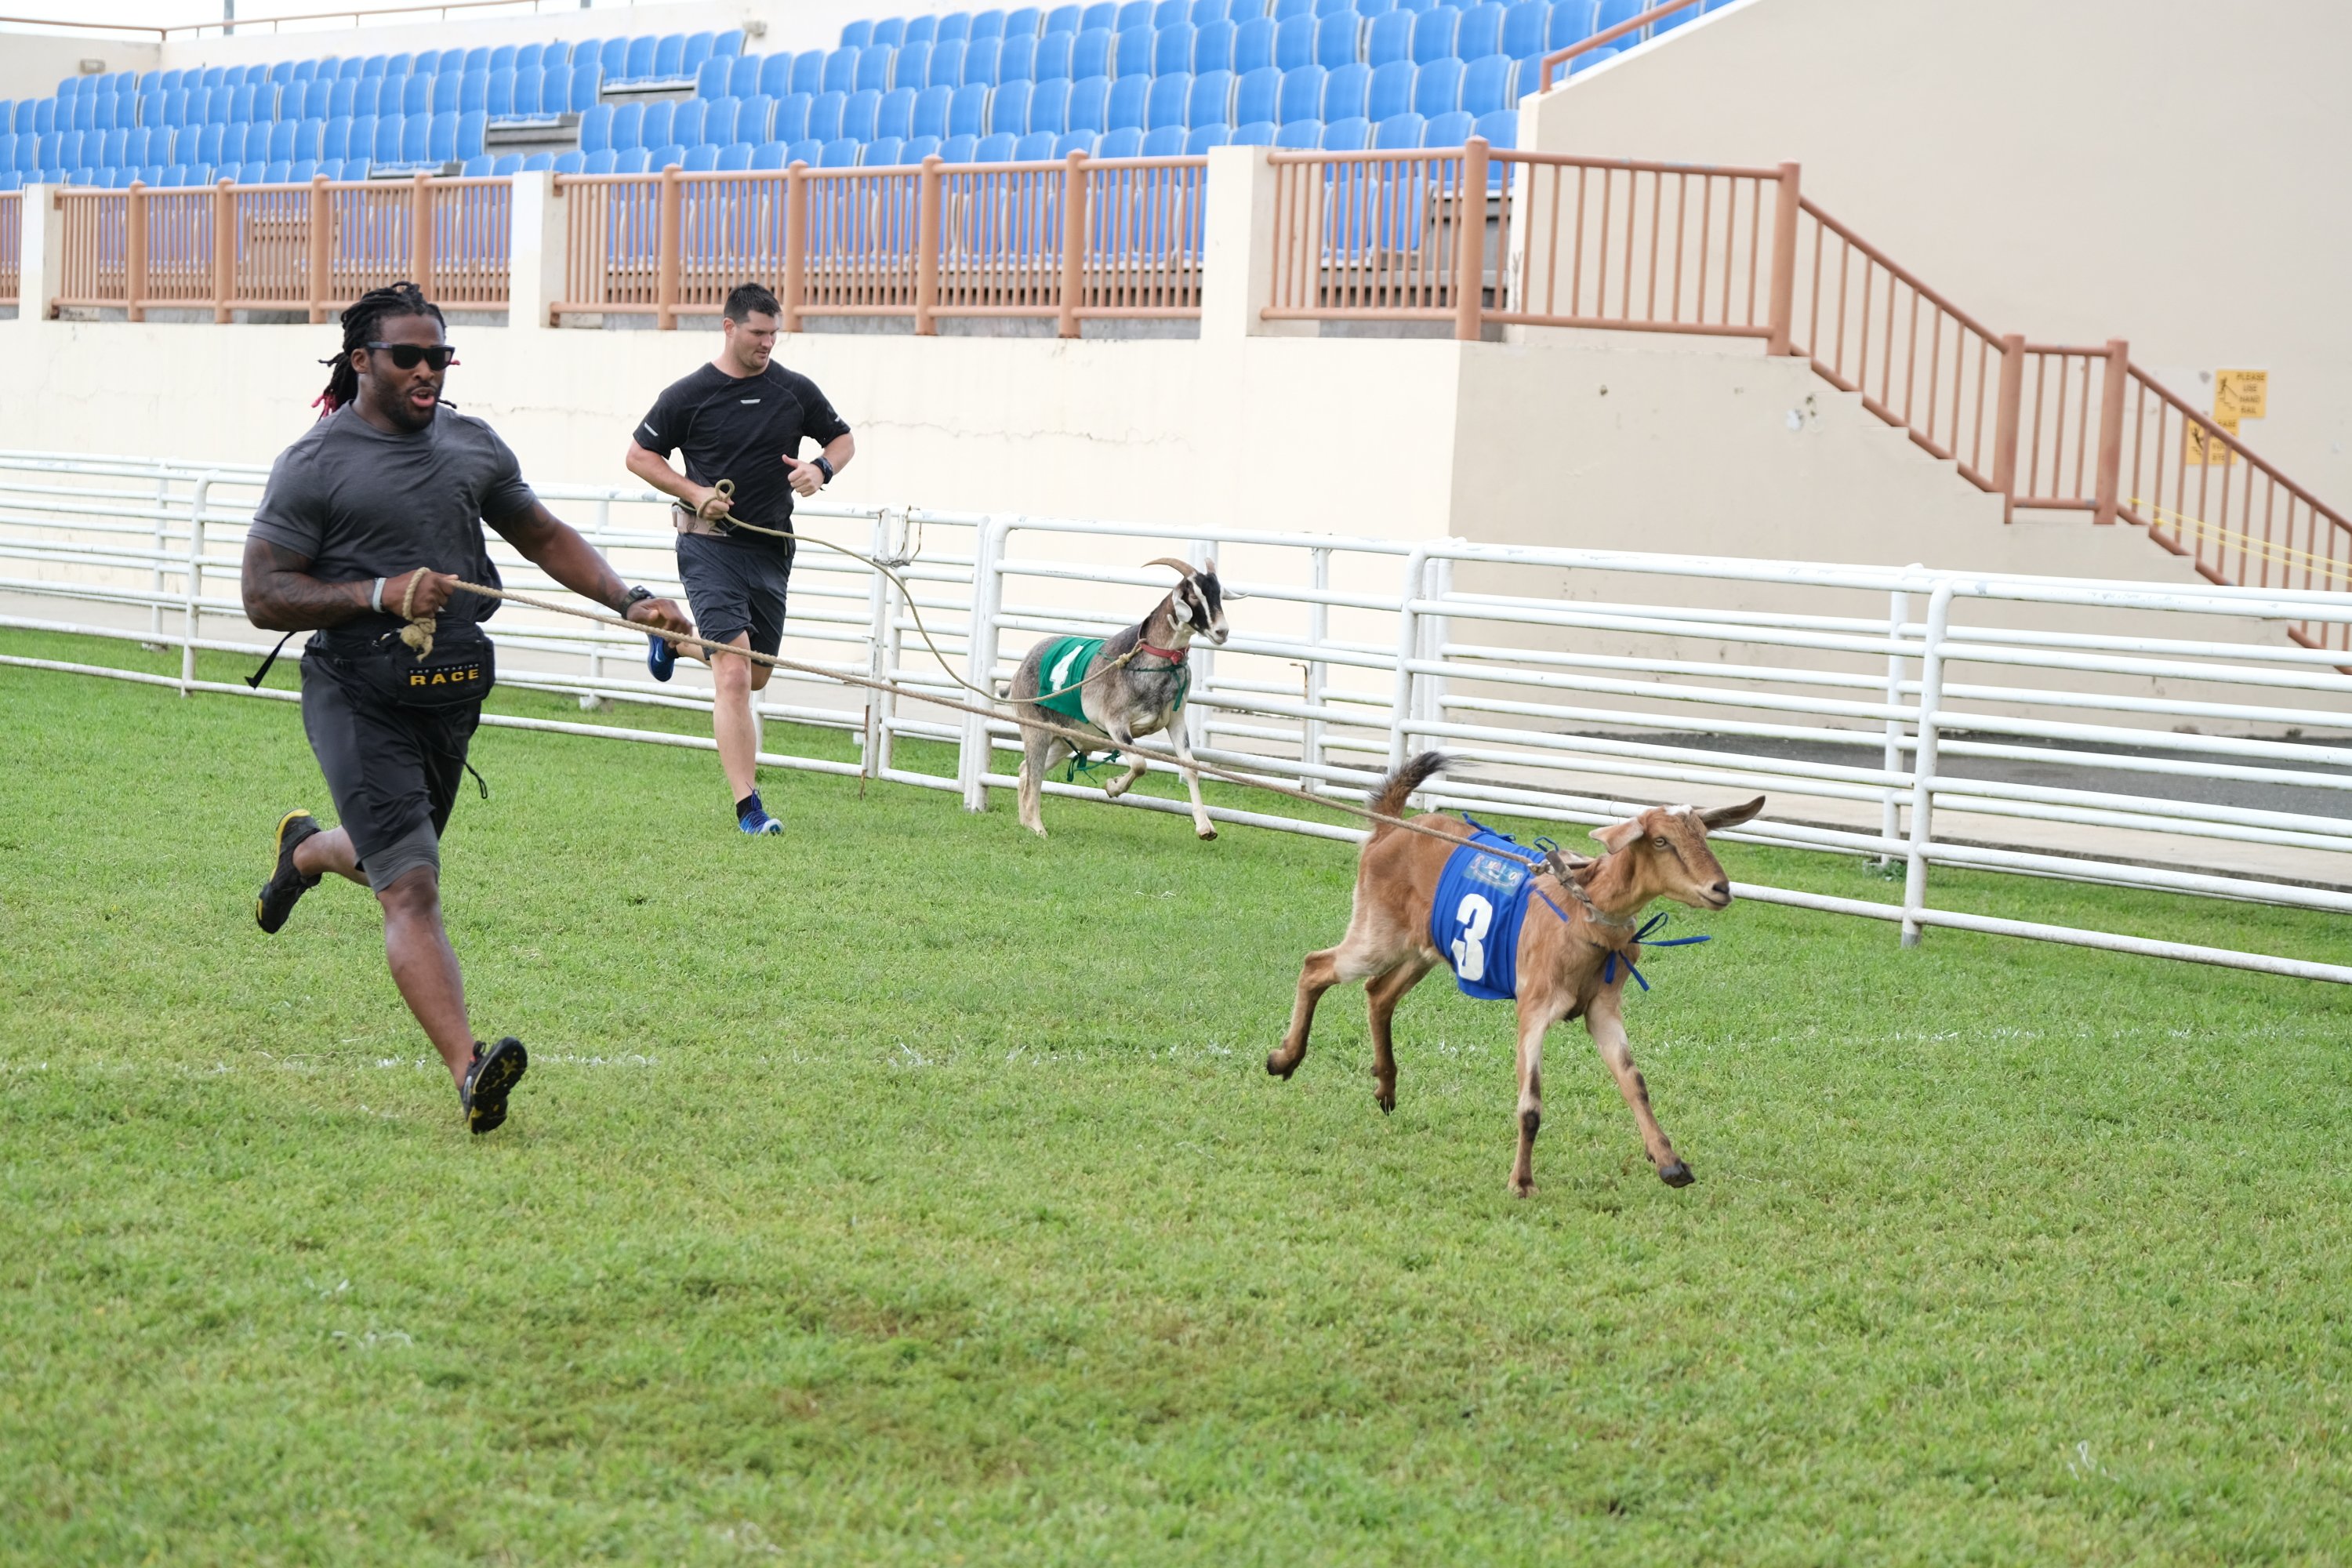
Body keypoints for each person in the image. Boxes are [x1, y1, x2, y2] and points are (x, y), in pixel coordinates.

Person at [242, 281, 691, 1134]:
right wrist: (380, 593)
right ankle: (470, 1068)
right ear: (361, 360)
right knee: (410, 886)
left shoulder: (471, 445)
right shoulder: (316, 462)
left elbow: (543, 534)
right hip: (355, 691)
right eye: (407, 356)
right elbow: (263, 594)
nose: (427, 371)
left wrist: (630, 601)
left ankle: (303, 852)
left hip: (450, 691)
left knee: (388, 859)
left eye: (439, 356)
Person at [623, 281, 855, 835]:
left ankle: (674, 639)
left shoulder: (794, 390)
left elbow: (843, 440)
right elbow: (638, 456)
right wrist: (693, 490)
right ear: (729, 328)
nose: (767, 343)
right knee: (731, 673)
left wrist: (819, 470)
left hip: (772, 548)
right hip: (709, 546)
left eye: (774, 334)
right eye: (757, 333)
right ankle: (749, 808)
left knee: (753, 676)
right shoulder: (689, 394)